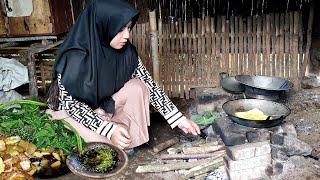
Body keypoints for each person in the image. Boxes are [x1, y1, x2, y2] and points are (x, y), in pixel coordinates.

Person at [47, 0, 200, 152]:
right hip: (71, 114)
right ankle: (112, 136)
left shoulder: (126, 53)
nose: (127, 35)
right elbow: (72, 106)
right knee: (107, 150)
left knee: (138, 87)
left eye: (128, 27)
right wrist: (107, 129)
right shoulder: (74, 57)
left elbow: (149, 84)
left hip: (102, 107)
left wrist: (179, 120)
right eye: (120, 29)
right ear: (103, 26)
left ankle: (122, 138)